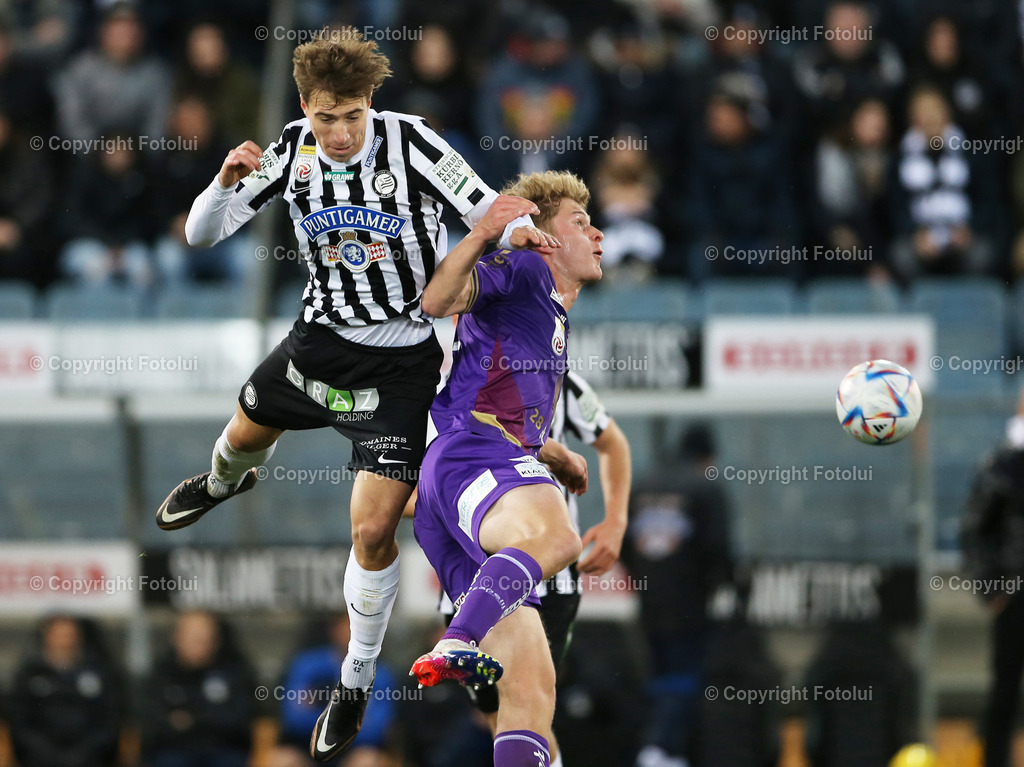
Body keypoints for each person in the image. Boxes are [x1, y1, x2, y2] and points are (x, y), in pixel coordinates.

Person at [152, 28, 554, 763]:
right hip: (317, 344)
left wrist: (522, 230)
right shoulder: (291, 149)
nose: (338, 133)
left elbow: (489, 205)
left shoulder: (415, 148)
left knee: (372, 530)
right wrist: (220, 182)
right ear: (305, 106)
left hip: (400, 369)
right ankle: (218, 483)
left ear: (372, 104)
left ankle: (356, 677)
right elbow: (202, 234)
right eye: (325, 116)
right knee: (242, 439)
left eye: (351, 117)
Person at [410, 169, 604, 767]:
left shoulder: (549, 312)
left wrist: (551, 450)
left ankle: (465, 637)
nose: (597, 234)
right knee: (558, 536)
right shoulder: (521, 272)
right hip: (470, 459)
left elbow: (494, 392)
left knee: (530, 695)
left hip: (465, 481)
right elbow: (436, 300)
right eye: (580, 222)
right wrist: (487, 237)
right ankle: (458, 638)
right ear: (544, 236)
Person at [418, 367, 632, 767]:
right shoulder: (445, 394)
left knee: (529, 698)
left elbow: (612, 442)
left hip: (550, 578)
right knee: (501, 714)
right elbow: (415, 497)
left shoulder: (562, 381)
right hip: (470, 582)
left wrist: (616, 522)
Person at [622, 425, 733, 767]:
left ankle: (658, 746)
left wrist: (643, 581)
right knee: (684, 676)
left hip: (650, 602)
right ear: (705, 455)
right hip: (689, 602)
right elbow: (719, 548)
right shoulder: (704, 487)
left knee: (657, 677)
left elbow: (623, 544)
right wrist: (724, 589)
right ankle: (663, 749)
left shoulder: (641, 484)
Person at [961, 391, 1024, 767]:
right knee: (1005, 690)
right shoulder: (1001, 465)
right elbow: (974, 531)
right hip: (1015, 595)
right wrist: (991, 590)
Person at [140, 610, 257, 767]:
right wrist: (207, 717)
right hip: (172, 753)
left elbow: (240, 719)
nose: (201, 645)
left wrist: (191, 719)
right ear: (177, 638)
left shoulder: (234, 672)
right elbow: (150, 719)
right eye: (194, 639)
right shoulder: (161, 674)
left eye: (206, 639)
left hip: (223, 753)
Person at [278, 612, 398, 763]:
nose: (356, 632)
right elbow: (294, 718)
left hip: (355, 749)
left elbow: (377, 730)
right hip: (306, 746)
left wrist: (323, 714)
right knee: (284, 759)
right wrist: (351, 720)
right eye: (350, 625)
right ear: (335, 629)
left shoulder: (381, 673)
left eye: (365, 627)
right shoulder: (307, 665)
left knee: (367, 760)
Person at [8, 615, 122, 767]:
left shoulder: (99, 673)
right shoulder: (29, 673)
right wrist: (46, 754)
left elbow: (108, 721)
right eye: (59, 634)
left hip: (89, 758)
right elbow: (20, 722)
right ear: (47, 636)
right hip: (39, 758)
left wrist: (83, 754)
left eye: (69, 634)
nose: (65, 640)